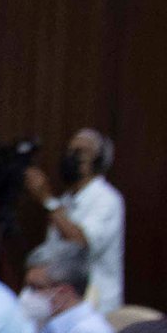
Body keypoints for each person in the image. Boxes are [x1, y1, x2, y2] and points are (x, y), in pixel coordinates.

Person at [27, 127, 125, 310]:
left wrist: (47, 199)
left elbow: (80, 243)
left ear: (98, 162)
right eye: (69, 150)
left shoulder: (106, 199)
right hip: (64, 299)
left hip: (97, 302)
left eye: (80, 152)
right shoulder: (66, 200)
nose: (71, 156)